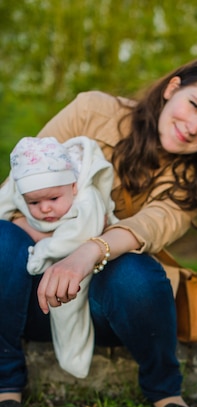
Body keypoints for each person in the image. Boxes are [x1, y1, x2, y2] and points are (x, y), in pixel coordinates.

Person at [0, 55, 197, 407]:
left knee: (134, 272)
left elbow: (148, 227)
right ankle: (6, 385)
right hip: (37, 296)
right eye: (194, 105)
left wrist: (86, 251)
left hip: (107, 309)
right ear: (173, 88)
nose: (192, 128)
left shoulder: (194, 178)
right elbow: (25, 185)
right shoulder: (92, 110)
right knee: (4, 240)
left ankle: (164, 390)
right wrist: (65, 234)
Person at [0, 135, 118, 381]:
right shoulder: (29, 193)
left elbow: (81, 233)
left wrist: (41, 249)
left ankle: (75, 357)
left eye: (53, 199)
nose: (44, 209)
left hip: (85, 271)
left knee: (70, 312)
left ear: (73, 187)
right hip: (35, 288)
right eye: (34, 202)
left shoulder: (86, 197)